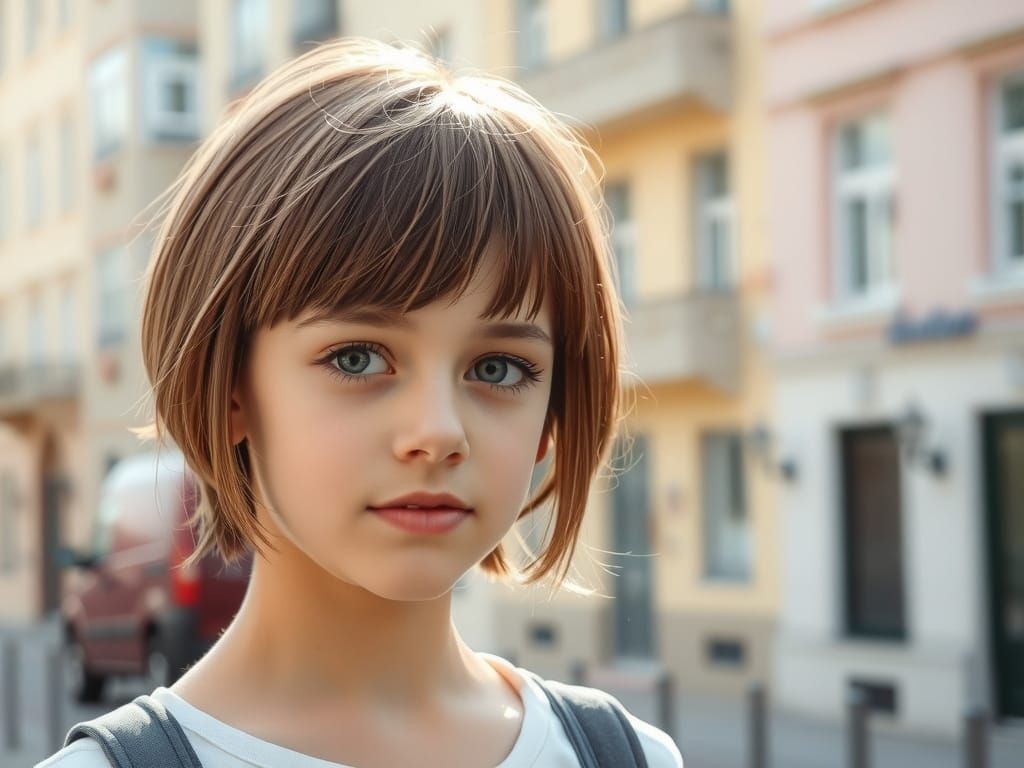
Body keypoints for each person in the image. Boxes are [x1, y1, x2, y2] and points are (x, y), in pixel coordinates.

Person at [38, 37, 683, 768]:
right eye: (357, 358)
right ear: (228, 389)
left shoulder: (629, 757)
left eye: (499, 368)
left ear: (550, 416)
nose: (438, 433)